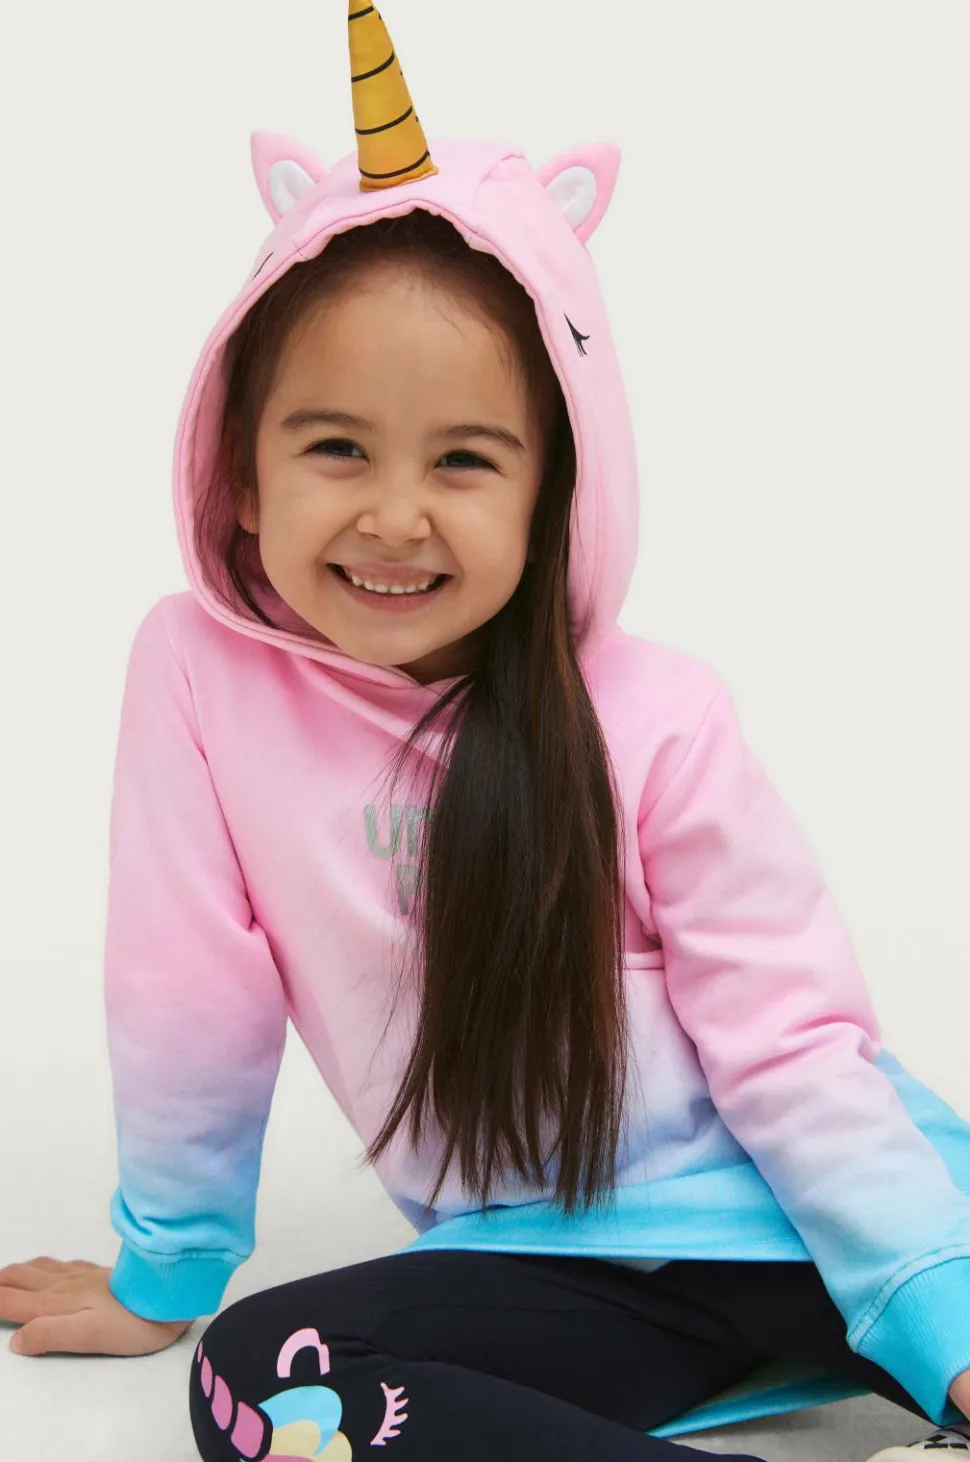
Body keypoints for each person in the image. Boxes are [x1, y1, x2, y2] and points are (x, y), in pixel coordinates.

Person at [2, 3, 970, 1459]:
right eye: (336, 446)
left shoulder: (656, 718)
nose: (394, 516)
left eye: (464, 459)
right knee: (266, 1388)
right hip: (562, 1271)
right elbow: (183, 992)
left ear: (549, 493)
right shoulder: (197, 673)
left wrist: (943, 1319)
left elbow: (791, 1047)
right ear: (242, 473)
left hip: (830, 1231)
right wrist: (169, 1270)